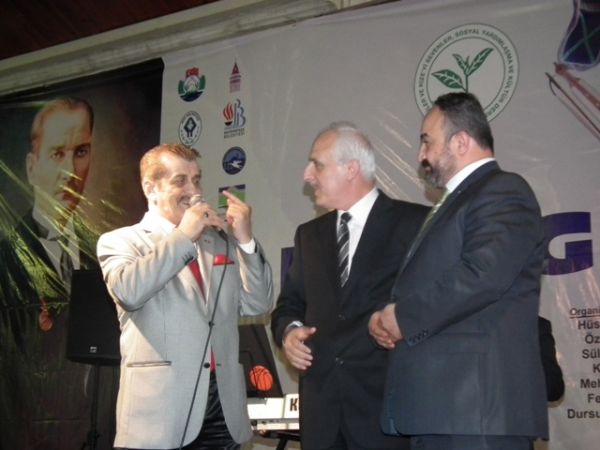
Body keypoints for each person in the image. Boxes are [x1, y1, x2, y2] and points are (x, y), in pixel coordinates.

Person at [369, 92, 549, 450]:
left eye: (427, 141)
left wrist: (403, 317)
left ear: (461, 142)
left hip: (476, 412)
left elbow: (482, 274)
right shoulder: (455, 202)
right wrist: (385, 317)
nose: (421, 155)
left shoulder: (503, 190)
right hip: (446, 412)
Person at [97, 143, 273, 450]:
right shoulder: (121, 241)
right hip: (159, 410)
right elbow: (129, 292)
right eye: (180, 181)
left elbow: (258, 303)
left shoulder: (220, 243)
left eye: (197, 179)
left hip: (222, 407)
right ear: (150, 188)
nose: (194, 190)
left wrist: (245, 241)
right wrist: (183, 236)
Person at [271, 122, 428, 450]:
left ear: (351, 168)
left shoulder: (415, 224)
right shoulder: (308, 235)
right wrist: (289, 332)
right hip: (322, 417)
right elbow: (288, 305)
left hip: (386, 416)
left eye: (317, 164)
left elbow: (431, 305)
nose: (307, 175)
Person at [0, 97, 114, 449]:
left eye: (81, 152)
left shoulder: (107, 255)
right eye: (57, 153)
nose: (70, 171)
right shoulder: (5, 259)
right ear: (31, 167)